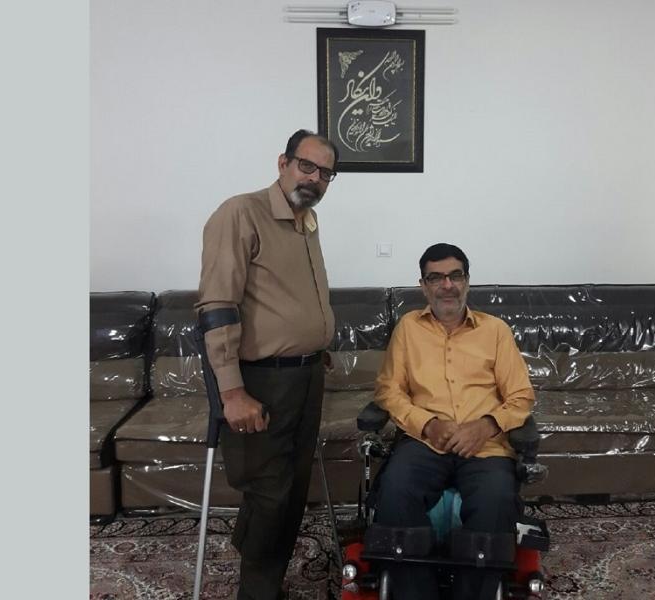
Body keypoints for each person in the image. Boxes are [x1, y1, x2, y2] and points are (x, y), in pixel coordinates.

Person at [195, 129, 339, 600]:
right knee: (269, 493)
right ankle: (256, 592)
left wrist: (315, 343)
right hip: (261, 381)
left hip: (307, 375)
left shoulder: (307, 222)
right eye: (306, 166)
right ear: (283, 162)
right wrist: (232, 391)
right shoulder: (241, 213)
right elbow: (218, 306)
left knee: (292, 490)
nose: (314, 178)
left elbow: (288, 299)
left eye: (326, 173)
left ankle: (266, 578)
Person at [372, 243, 535, 600]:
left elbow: (521, 396)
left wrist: (486, 425)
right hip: (423, 443)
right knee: (395, 490)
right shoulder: (408, 329)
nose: (447, 285)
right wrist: (428, 424)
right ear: (423, 286)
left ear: (467, 281)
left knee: (496, 500)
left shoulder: (495, 331)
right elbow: (388, 390)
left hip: (485, 445)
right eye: (436, 278)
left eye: (455, 276)